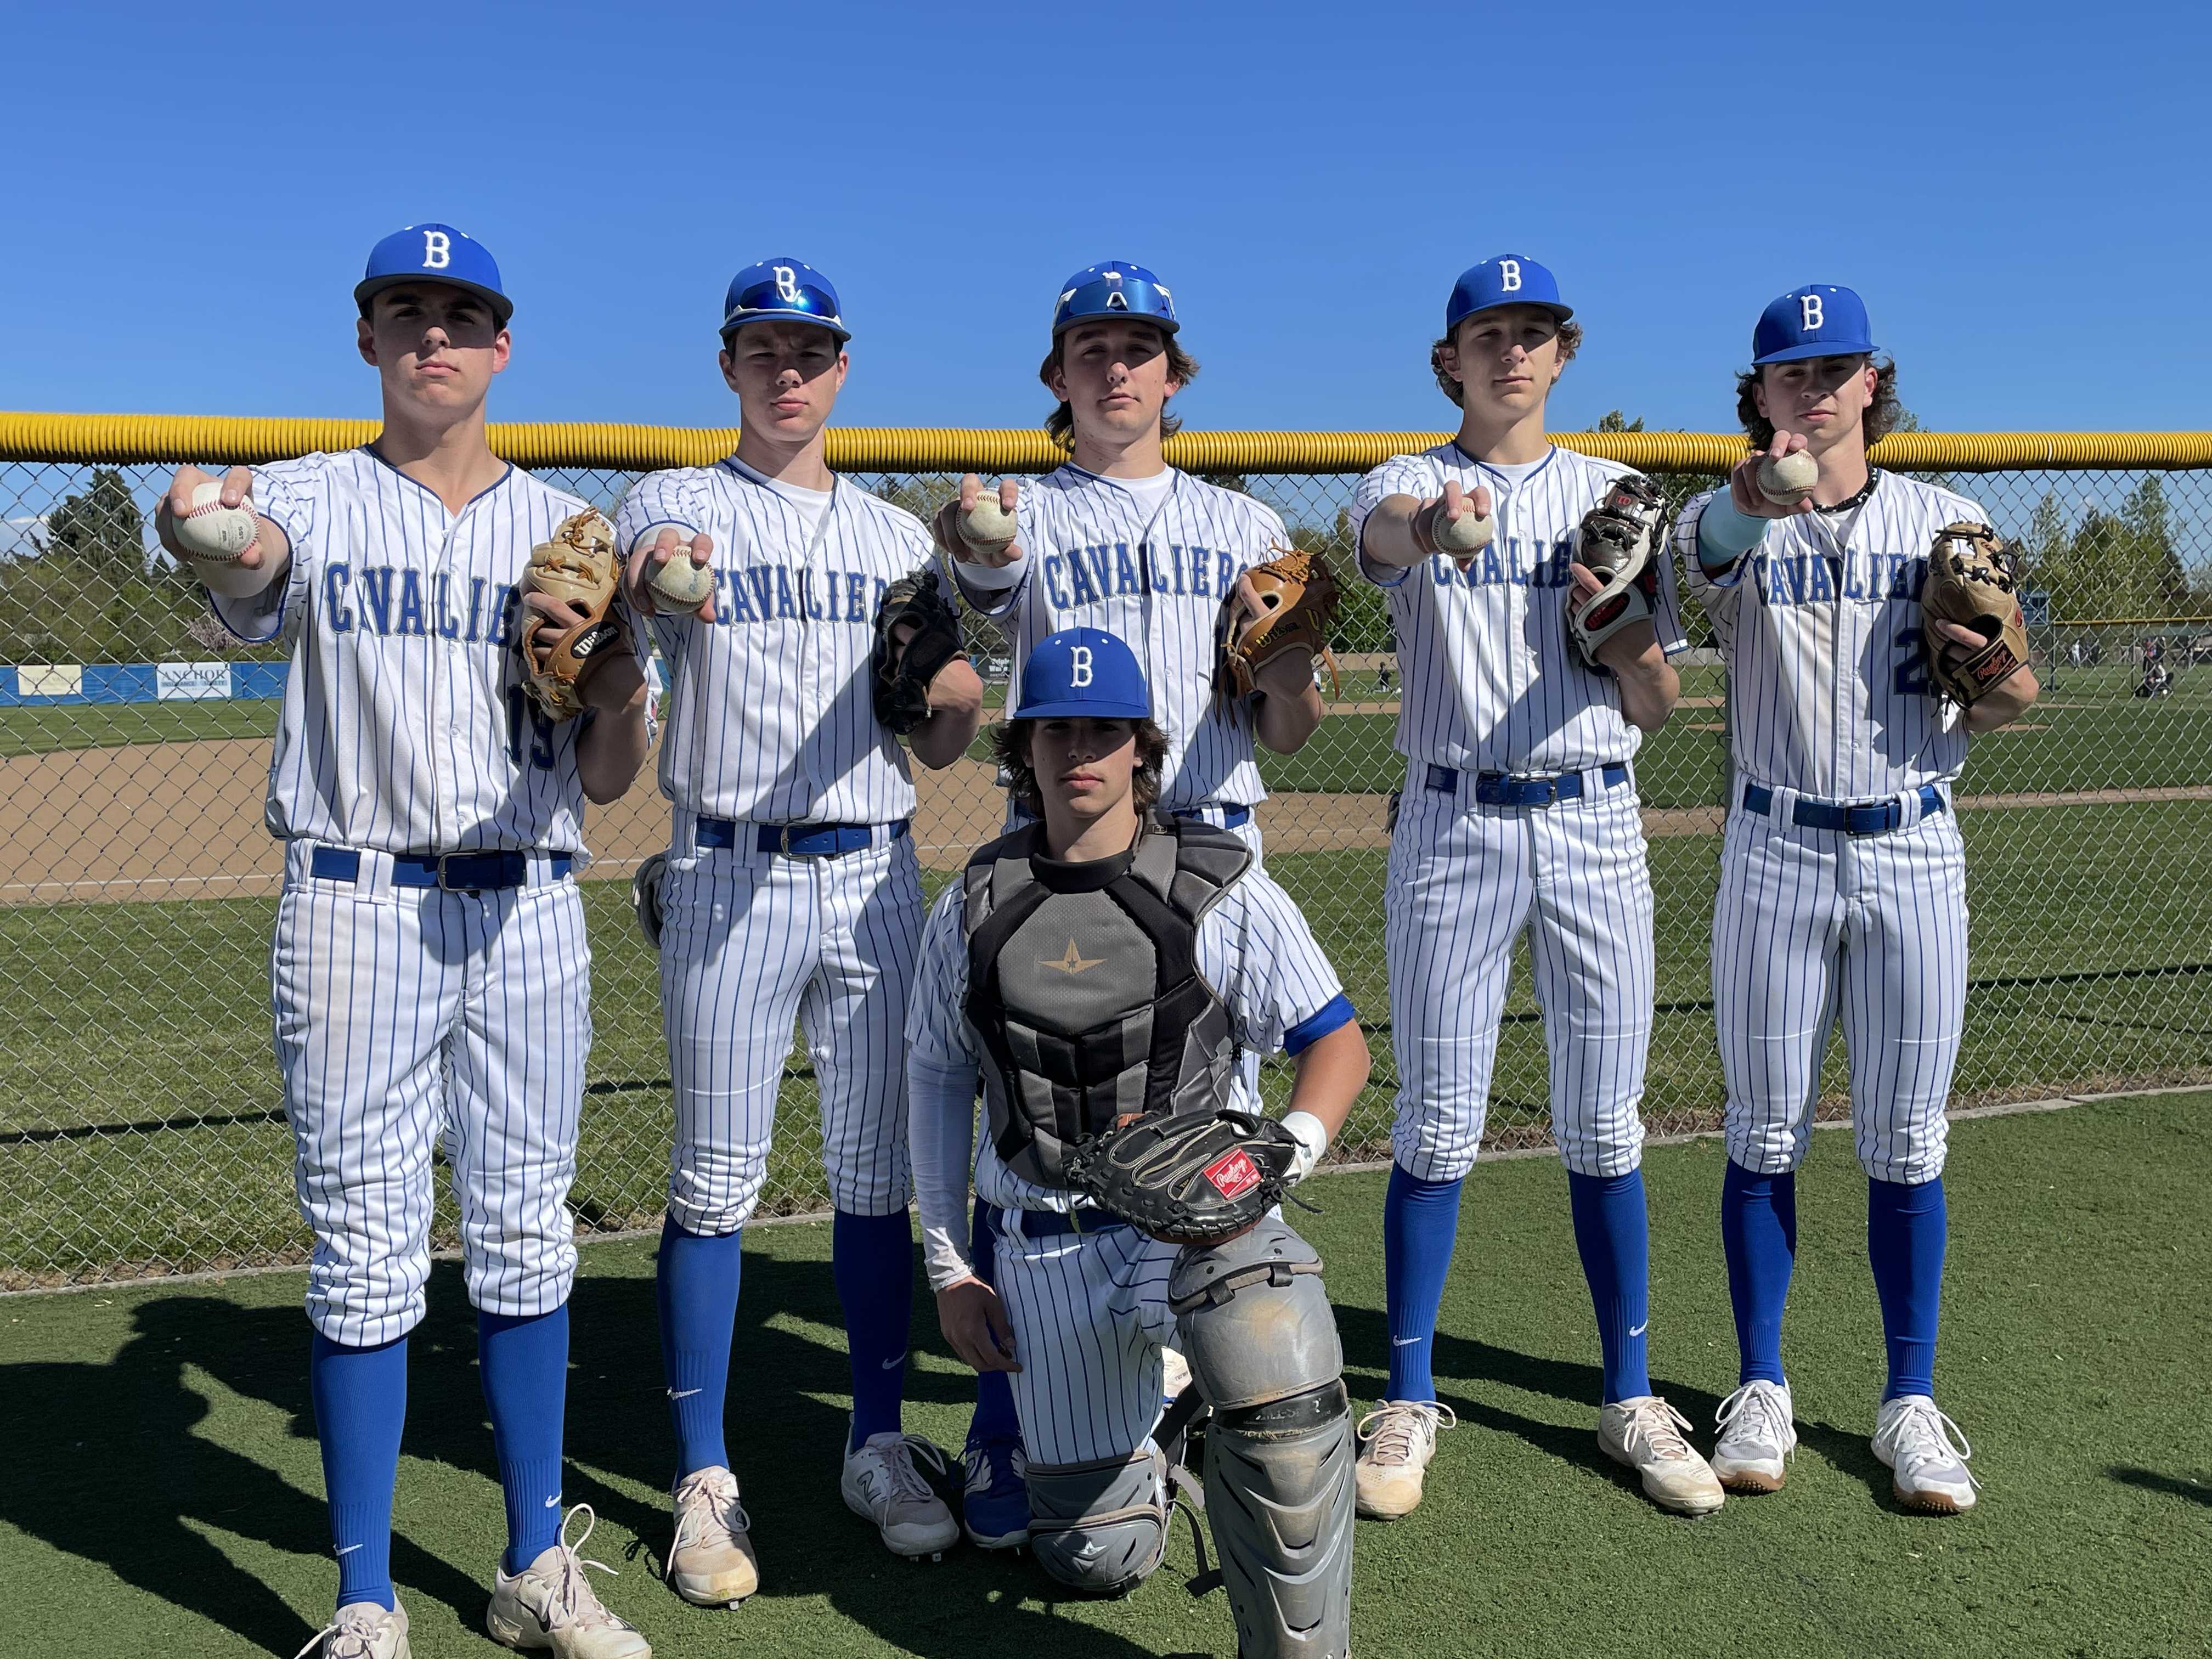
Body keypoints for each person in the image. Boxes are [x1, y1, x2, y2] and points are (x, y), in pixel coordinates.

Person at [157, 224, 657, 1658]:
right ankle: (366, 1598)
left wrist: (622, 688)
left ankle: (533, 1569)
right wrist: (189, 512)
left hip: (528, 904)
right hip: (356, 903)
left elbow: (613, 776)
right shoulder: (309, 501)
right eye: (406, 313)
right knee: (368, 1251)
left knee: (523, 1238)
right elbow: (238, 560)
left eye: (461, 315)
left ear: (503, 348)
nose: (434, 337)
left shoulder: (573, 536)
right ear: (369, 340)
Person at [926, 259, 1334, 1548]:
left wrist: (1296, 661)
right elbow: (976, 614)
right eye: (1091, 349)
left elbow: (1295, 723)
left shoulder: (1239, 527)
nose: (1117, 368)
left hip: (1212, 855)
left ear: (1173, 373)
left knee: (1220, 1173)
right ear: (1059, 377)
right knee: (1038, 1103)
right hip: (1068, 859)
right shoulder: (1021, 517)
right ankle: (1014, 1430)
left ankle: (1211, 1410)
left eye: (1139, 347)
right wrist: (974, 564)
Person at [609, 258, 985, 1600]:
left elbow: (939, 729)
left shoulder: (896, 542)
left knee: (876, 1177)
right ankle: (704, 1476)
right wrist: (663, 578)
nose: (787, 371)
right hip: (725, 870)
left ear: (842, 371)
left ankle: (875, 1440)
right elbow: (650, 568)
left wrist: (954, 699)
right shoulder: (676, 499)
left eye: (809, 351)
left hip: (876, 873)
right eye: (762, 349)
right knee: (716, 1180)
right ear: (729, 367)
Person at [906, 627, 1369, 1655]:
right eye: (1057, 730)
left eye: (1104, 732)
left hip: (1188, 1232)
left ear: (1141, 748)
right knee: (1093, 1559)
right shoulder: (974, 902)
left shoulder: (1216, 882)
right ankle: (1164, 1423)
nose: (1081, 752)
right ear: (1021, 748)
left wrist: (1275, 1156)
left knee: (1273, 1344)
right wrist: (950, 1269)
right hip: (1040, 1246)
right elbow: (937, 1082)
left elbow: (1336, 1045)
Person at [1347, 255, 1719, 1519]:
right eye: (1487, 334)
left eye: (1534, 333)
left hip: (1594, 817)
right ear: (1450, 359)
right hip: (1453, 822)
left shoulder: (1616, 496)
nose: (1511, 351)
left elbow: (1659, 701)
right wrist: (1439, 525)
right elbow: (1380, 540)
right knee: (1438, 1124)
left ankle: (1630, 1395)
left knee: (1606, 1126)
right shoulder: (1410, 477)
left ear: (1565, 355)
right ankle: (1405, 1393)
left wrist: (1625, 646)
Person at [1676, 284, 2039, 1513]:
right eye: (1792, 372)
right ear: (1760, 393)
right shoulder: (1733, 519)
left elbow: (2006, 700)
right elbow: (1693, 566)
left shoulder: (1948, 519)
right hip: (1774, 847)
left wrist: (1998, 675)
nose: (1816, 388)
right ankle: (1762, 1383)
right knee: (1765, 1127)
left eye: (1837, 368)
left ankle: (1910, 1400)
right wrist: (1749, 493)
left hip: (1915, 846)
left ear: (1872, 383)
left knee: (1906, 1137)